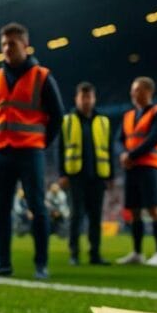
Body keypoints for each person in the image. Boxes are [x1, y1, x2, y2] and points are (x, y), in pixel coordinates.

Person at [0, 22, 64, 280]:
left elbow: (58, 116)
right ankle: (3, 264)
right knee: (0, 208)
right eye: (4, 44)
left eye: (12, 43)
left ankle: (41, 264)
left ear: (25, 44)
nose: (7, 48)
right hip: (0, 152)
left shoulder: (42, 76)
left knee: (37, 206)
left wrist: (39, 142)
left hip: (30, 152)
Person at [116, 77, 157, 267]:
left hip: (149, 166)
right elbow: (118, 139)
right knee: (134, 210)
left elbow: (155, 137)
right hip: (131, 168)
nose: (133, 93)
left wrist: (131, 155)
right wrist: (123, 154)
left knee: (153, 208)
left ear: (148, 91)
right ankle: (137, 252)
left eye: (137, 89)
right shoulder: (128, 115)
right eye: (132, 90)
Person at [57, 81, 113, 265]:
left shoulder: (103, 122)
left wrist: (110, 176)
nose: (86, 100)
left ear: (94, 98)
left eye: (89, 97)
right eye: (83, 97)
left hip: (97, 177)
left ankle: (94, 254)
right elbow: (60, 149)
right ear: (77, 98)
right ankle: (74, 254)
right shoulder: (67, 121)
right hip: (75, 176)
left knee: (96, 217)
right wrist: (62, 174)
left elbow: (109, 149)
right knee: (76, 216)